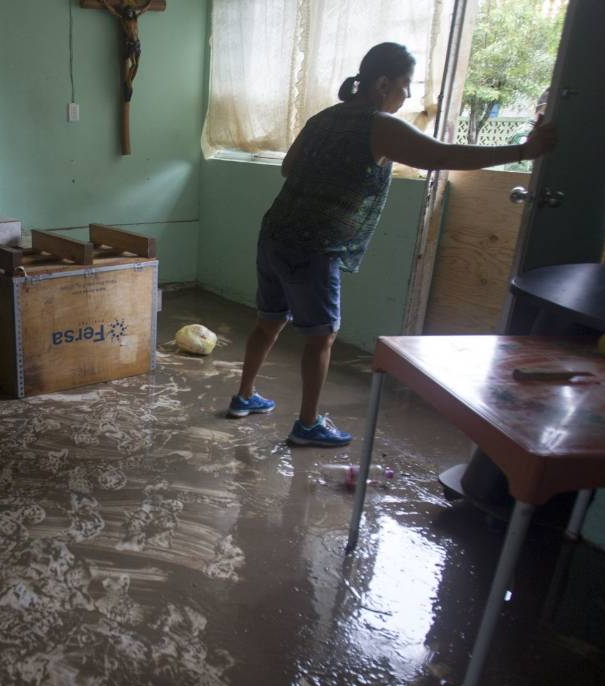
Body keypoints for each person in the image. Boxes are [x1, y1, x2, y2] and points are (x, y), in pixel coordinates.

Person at [227, 42, 558, 446]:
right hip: (314, 246)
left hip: (275, 232)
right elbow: (441, 155)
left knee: (269, 320)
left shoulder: (324, 118)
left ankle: (243, 397)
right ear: (383, 83)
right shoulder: (379, 124)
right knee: (321, 336)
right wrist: (524, 150)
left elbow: (287, 167)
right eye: (406, 85)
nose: (408, 95)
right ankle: (308, 425)